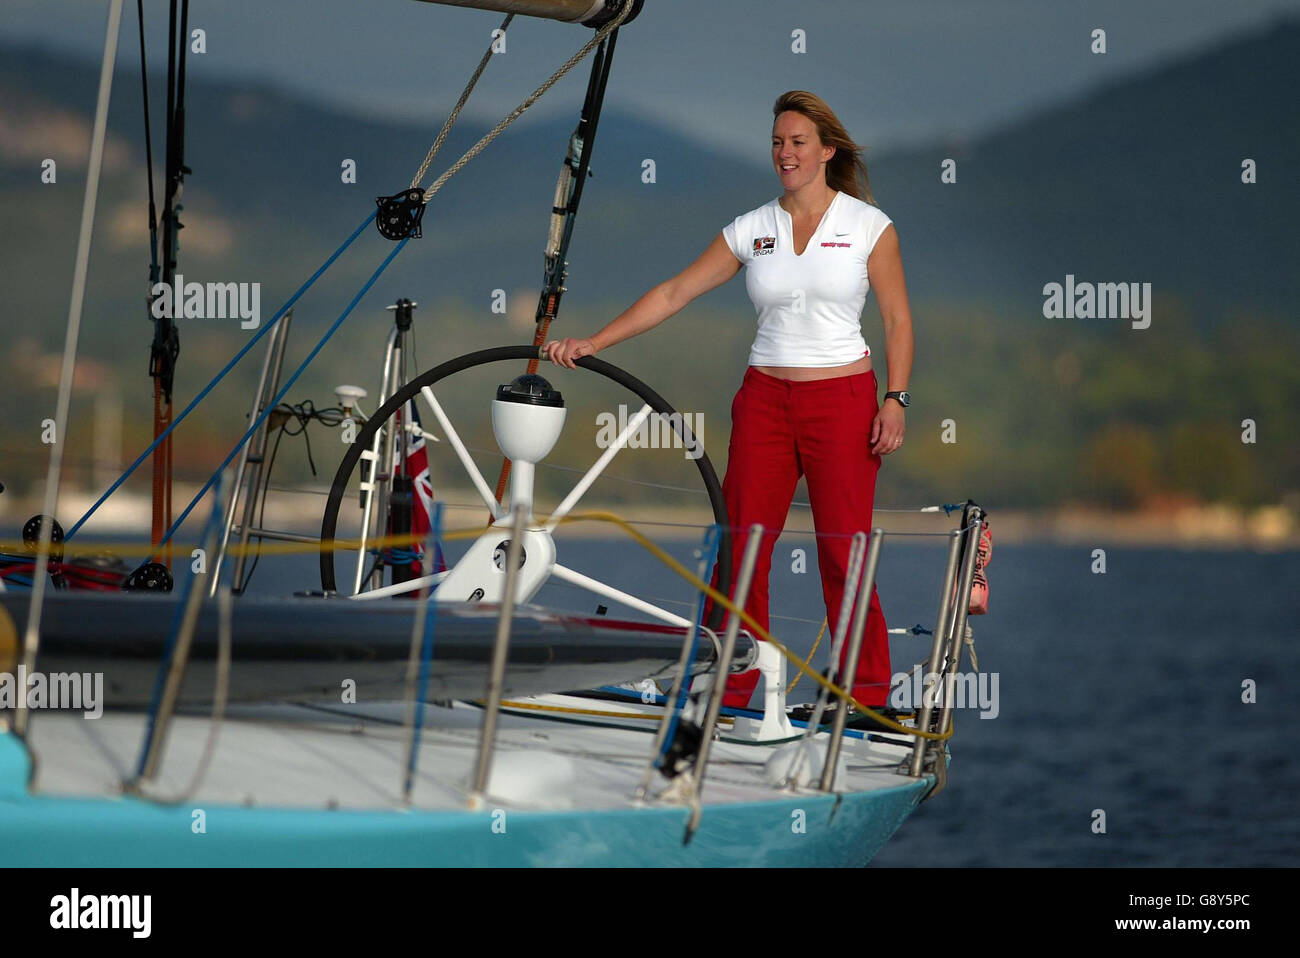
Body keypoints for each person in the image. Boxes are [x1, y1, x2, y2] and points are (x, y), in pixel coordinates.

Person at [544, 90, 914, 710]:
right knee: (741, 548)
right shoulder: (752, 227)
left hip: (844, 402)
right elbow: (674, 292)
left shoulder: (869, 227)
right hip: (765, 401)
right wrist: (595, 342)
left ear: (827, 151)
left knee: (842, 553)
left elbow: (898, 320)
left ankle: (867, 693)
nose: (785, 153)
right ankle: (733, 687)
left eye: (798, 142)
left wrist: (896, 399)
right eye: (777, 142)